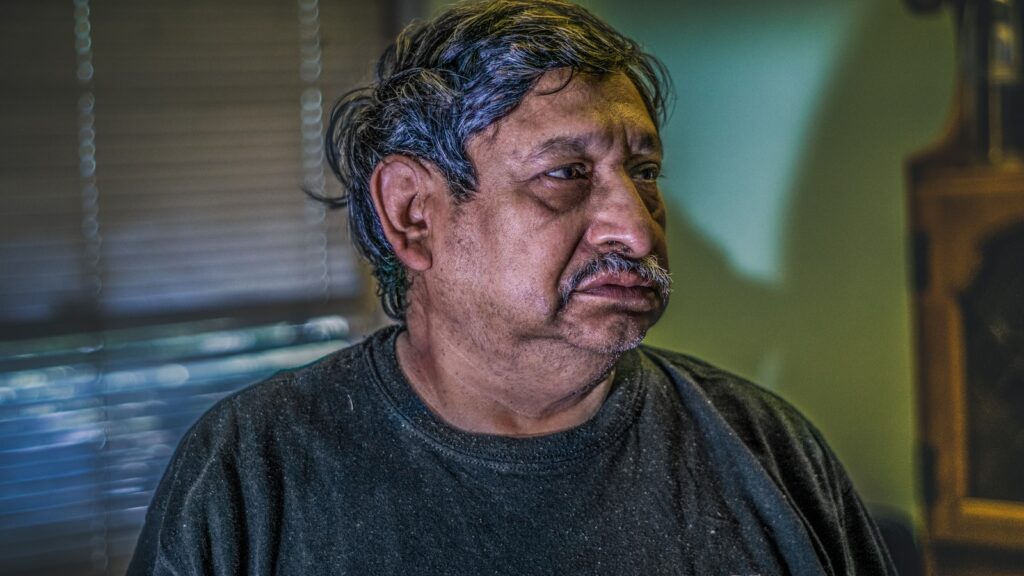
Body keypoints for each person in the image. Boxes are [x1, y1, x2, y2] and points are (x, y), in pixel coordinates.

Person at [127, 1, 897, 574]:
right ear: (414, 214)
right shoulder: (251, 476)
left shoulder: (769, 451)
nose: (637, 230)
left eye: (646, 172)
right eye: (565, 176)